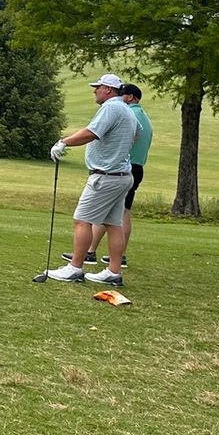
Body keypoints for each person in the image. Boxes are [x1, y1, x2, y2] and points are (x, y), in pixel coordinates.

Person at [46, 73, 138, 285]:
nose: (94, 90)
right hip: (122, 175)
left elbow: (91, 133)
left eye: (98, 87)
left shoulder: (111, 107)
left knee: (82, 220)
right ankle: (113, 272)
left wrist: (63, 142)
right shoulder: (127, 109)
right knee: (113, 224)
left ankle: (75, 268)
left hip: (105, 176)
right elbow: (136, 135)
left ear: (108, 89)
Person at [86, 82, 152, 269]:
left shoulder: (127, 113)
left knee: (115, 213)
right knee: (118, 212)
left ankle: (90, 253)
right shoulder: (140, 115)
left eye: (121, 95)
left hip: (123, 167)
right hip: (133, 167)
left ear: (130, 97)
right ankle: (98, 252)